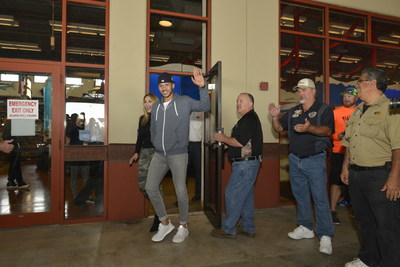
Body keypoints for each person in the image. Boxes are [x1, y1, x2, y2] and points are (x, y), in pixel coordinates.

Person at [341, 68, 400, 267]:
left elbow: (398, 146)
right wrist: (345, 167)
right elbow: (349, 141)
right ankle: (368, 259)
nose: (357, 85)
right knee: (364, 221)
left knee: (387, 225)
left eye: (360, 81)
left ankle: (391, 262)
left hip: (380, 175)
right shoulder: (358, 109)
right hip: (357, 175)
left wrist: (394, 178)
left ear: (372, 83)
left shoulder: (394, 106)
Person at [268, 78, 334, 255]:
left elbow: (327, 131)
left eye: (304, 90)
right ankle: (305, 227)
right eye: (299, 90)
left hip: (315, 160)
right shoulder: (294, 111)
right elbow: (279, 129)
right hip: (295, 160)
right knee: (301, 196)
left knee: (319, 197)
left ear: (313, 91)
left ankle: (325, 234)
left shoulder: (323, 109)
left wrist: (309, 128)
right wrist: (275, 117)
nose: (300, 93)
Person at [145, 68, 210, 243]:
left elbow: (205, 106)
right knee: (150, 187)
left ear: (173, 85)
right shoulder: (157, 105)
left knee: (180, 192)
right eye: (161, 85)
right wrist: (156, 142)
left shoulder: (184, 102)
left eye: (167, 84)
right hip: (159, 154)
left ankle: (183, 226)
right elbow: (153, 128)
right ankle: (165, 222)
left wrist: (202, 87)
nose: (164, 87)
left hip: (179, 154)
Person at [210, 93, 263, 239]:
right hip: (248, 164)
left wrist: (223, 138)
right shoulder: (246, 120)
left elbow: (240, 142)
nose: (238, 103)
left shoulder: (249, 119)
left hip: (246, 165)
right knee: (245, 197)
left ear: (251, 104)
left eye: (241, 101)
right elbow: (241, 142)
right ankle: (248, 227)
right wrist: (229, 144)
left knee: (231, 193)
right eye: (237, 101)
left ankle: (229, 228)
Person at [129, 93, 161, 232]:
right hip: (145, 153)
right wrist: (136, 152)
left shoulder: (161, 118)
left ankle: (159, 217)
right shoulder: (142, 119)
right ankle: (161, 210)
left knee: (154, 185)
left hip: (158, 154)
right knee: (143, 185)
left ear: (156, 103)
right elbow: (139, 138)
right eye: (145, 102)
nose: (147, 104)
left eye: (150, 101)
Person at [329, 86, 358, 224]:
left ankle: (357, 211)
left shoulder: (361, 112)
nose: (346, 98)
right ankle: (332, 212)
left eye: (349, 96)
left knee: (356, 183)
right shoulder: (335, 113)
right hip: (339, 152)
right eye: (344, 96)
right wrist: (338, 136)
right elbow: (329, 133)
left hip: (357, 152)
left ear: (356, 98)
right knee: (336, 182)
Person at [66, 113, 89, 198]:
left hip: (74, 156)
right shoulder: (83, 129)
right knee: (85, 177)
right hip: (83, 156)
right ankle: (84, 196)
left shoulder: (70, 129)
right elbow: (87, 141)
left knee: (74, 177)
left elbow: (67, 142)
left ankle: (75, 196)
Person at [3, 119, 30, 189]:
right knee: (15, 163)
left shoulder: (10, 122)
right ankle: (18, 182)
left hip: (13, 144)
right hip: (12, 145)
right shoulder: (10, 122)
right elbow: (7, 135)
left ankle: (11, 182)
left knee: (15, 163)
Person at [188, 111, 203, 202]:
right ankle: (182, 197)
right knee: (183, 172)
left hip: (198, 146)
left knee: (198, 171)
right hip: (184, 145)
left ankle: (198, 194)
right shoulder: (183, 112)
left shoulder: (203, 115)